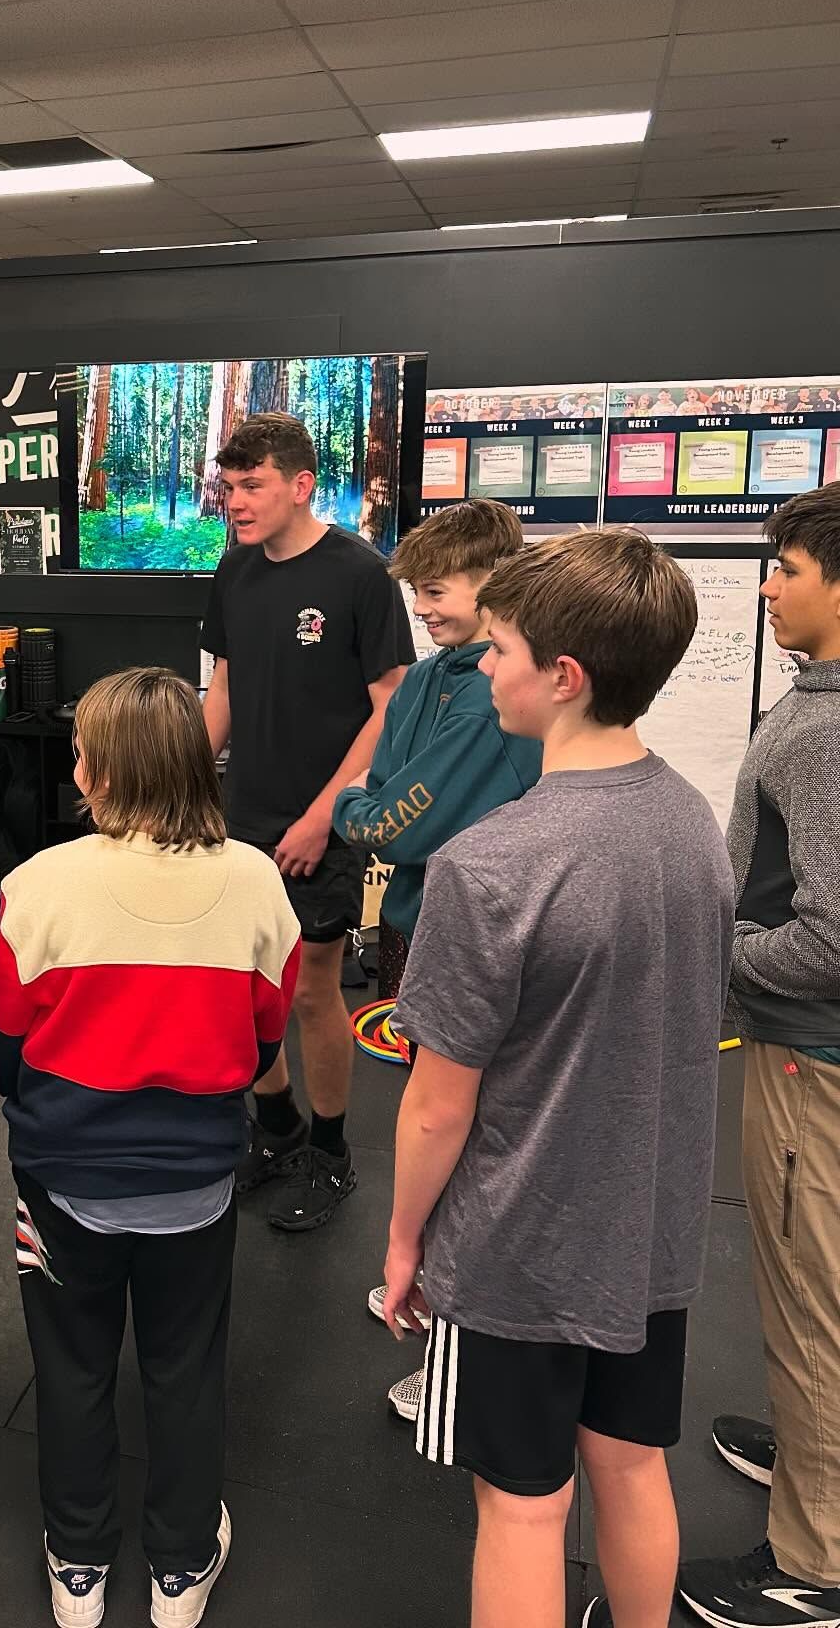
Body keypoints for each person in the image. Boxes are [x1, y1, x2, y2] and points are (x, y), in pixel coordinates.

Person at [380, 531, 733, 1628]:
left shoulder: (491, 865)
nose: (485, 669)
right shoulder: (693, 824)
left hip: (520, 1248)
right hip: (649, 1234)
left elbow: (439, 1105)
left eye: (502, 651)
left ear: (563, 678)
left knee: (524, 1508)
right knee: (632, 1467)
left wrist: (402, 1244)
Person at [0, 668, 300, 1628]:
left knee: (72, 1368)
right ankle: (179, 1564)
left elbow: (6, 1035)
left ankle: (77, 1566)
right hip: (196, 1183)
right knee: (185, 1369)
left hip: (63, 1179)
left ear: (107, 776)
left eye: (81, 751)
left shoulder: (36, 884)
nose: (73, 765)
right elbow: (266, 1034)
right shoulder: (256, 878)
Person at [331, 499, 542, 1424]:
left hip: (479, 932)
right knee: (438, 1122)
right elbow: (383, 796)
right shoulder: (424, 679)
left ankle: (463, 1349)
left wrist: (365, 812)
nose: (423, 602)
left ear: (497, 584)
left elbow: (388, 815)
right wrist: (370, 809)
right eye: (415, 588)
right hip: (418, 926)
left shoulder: (500, 692)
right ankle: (447, 1309)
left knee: (465, 1133)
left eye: (440, 586)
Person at [678, 482, 840, 1628]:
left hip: (811, 1066)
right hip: (807, 1051)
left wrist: (720, 947)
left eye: (786, 568)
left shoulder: (828, 732)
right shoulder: (819, 705)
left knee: (811, 1304)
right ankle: (808, 1453)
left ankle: (815, 1562)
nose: (768, 586)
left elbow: (833, 935)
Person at [200, 411, 411, 1232]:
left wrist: (326, 815)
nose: (236, 502)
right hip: (238, 816)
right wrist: (177, 789)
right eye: (229, 487)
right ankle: (277, 1129)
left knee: (313, 991)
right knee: (243, 988)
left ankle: (331, 1153)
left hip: (323, 820)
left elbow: (390, 704)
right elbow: (223, 686)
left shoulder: (359, 573)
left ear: (299, 485)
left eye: (251, 486)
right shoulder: (234, 571)